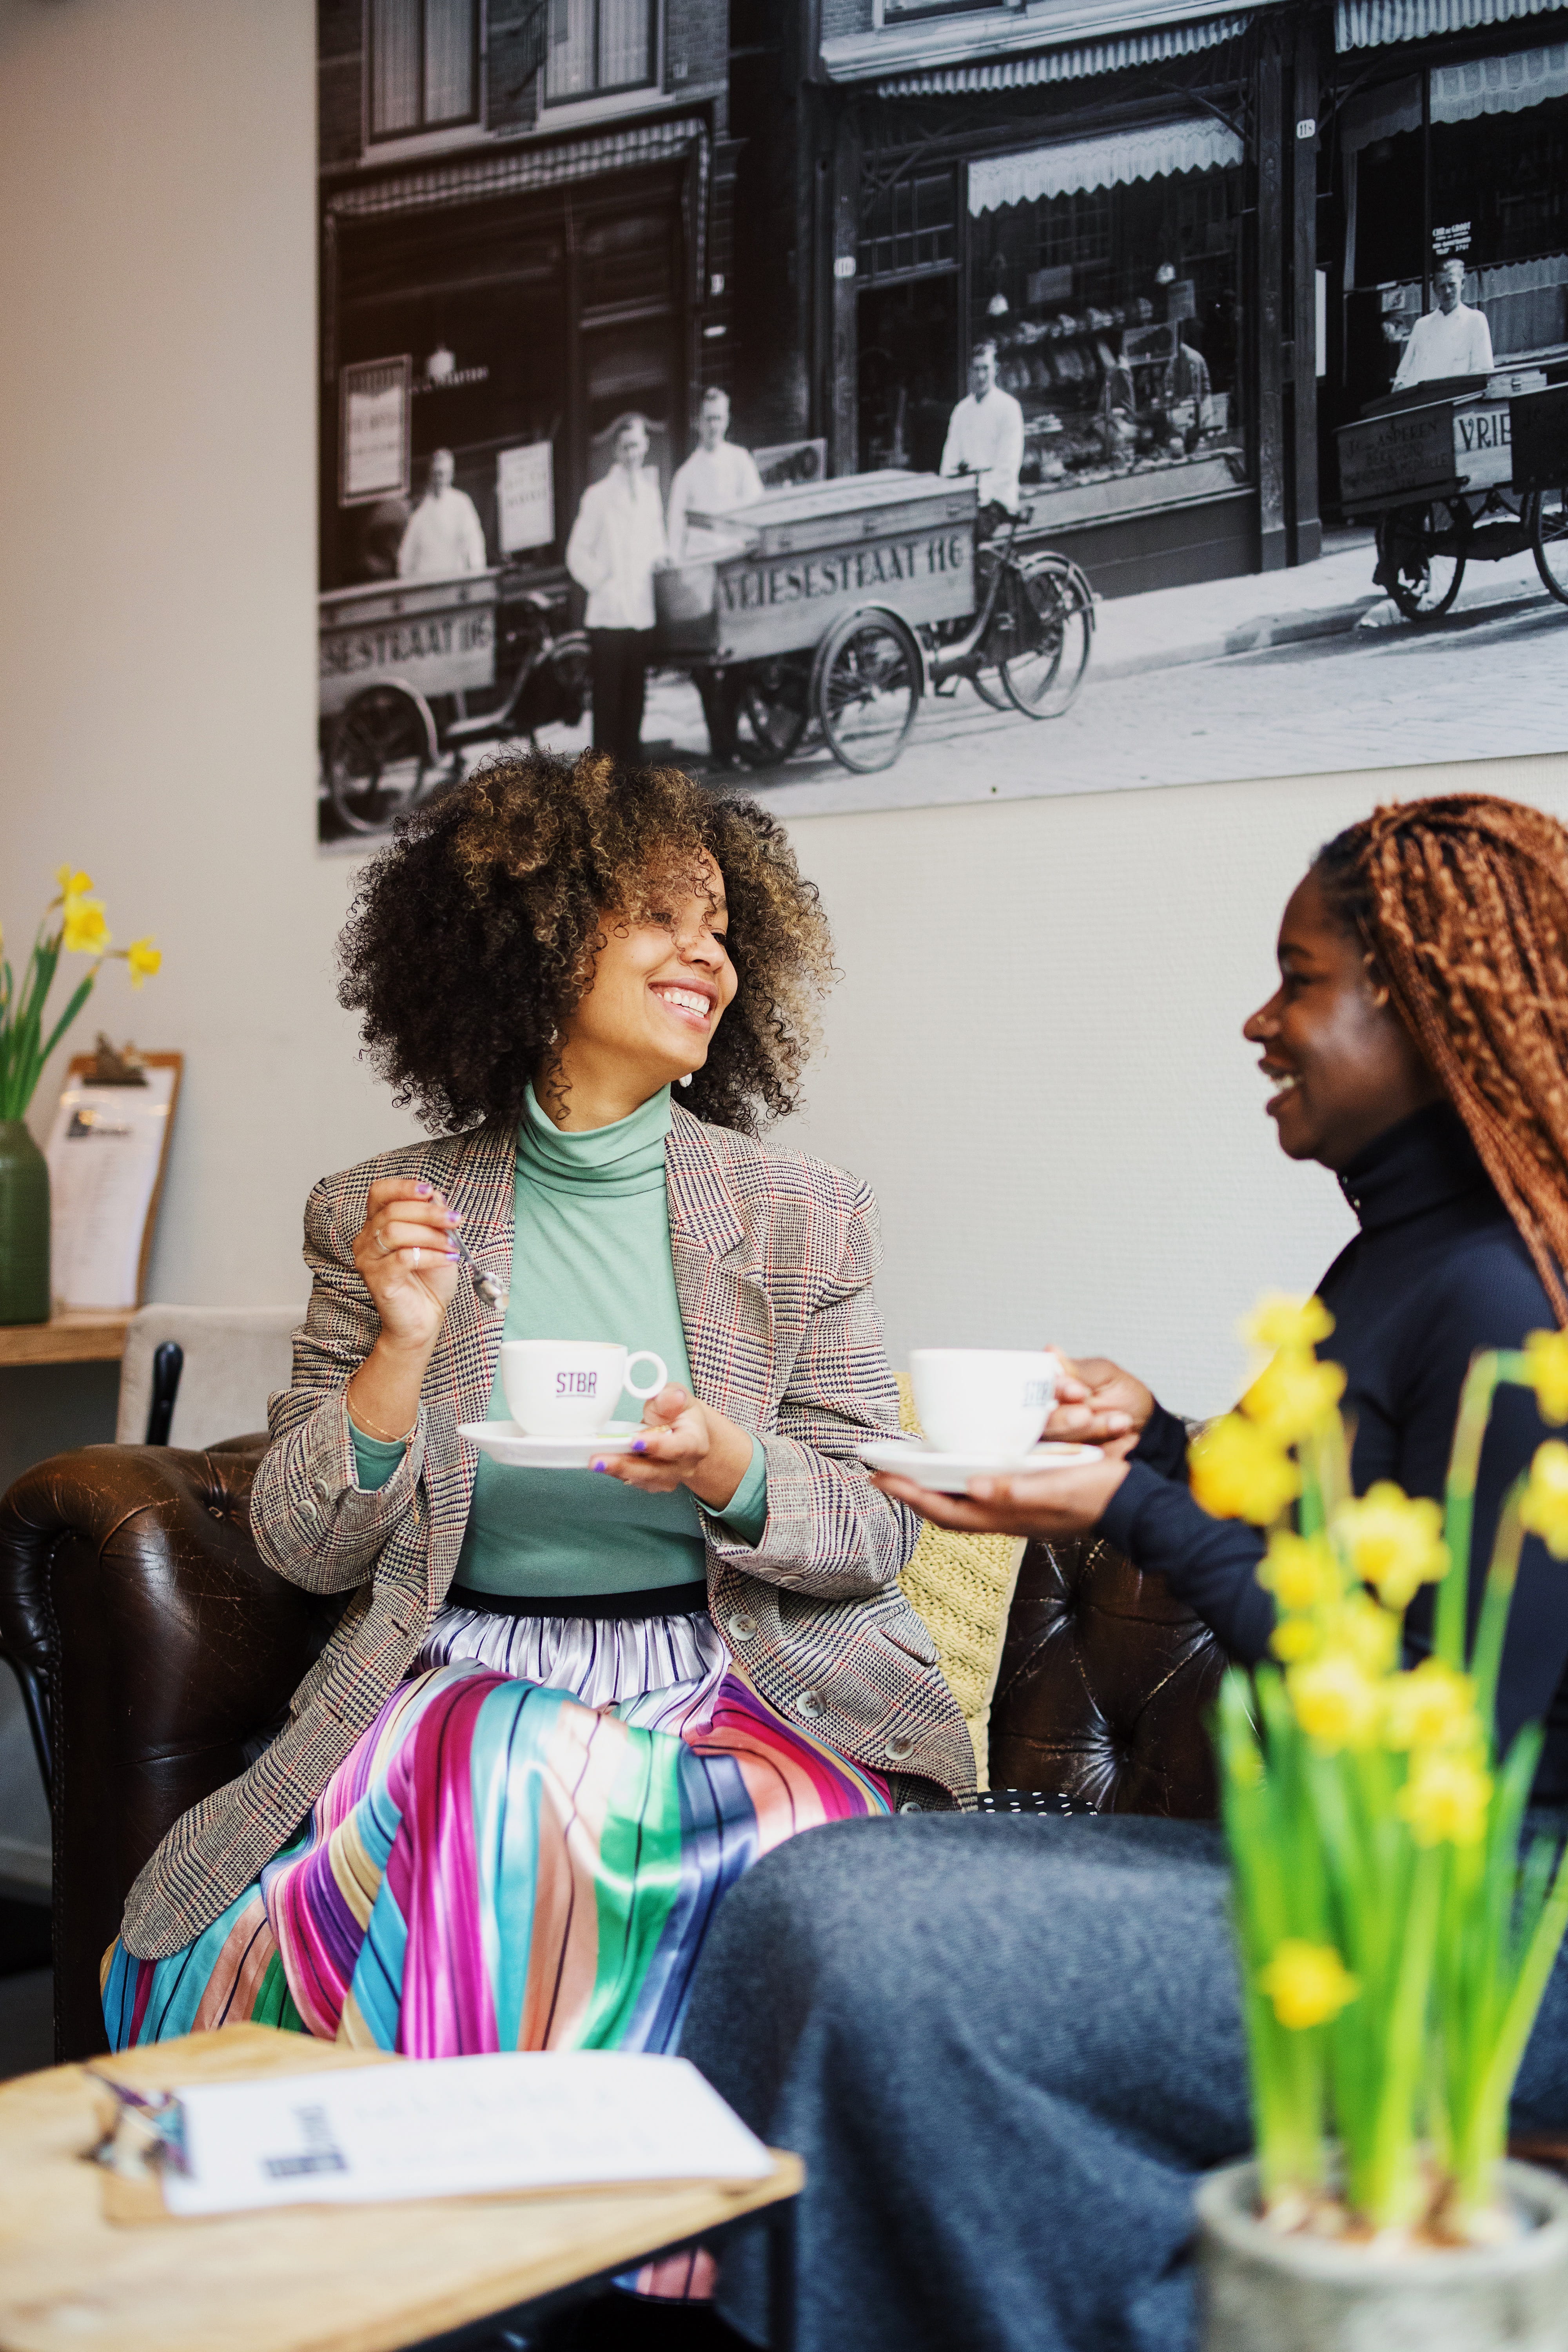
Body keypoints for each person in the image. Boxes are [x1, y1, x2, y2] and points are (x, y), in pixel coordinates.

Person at [681, 792, 1568, 2352]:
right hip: (1360, 1881)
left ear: (1423, 1007)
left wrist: (1127, 1507)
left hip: (1486, 1929)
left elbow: (1441, 1730)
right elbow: (1339, 1540)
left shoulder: (1511, 1300)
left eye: (1297, 979)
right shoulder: (1409, 1254)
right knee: (801, 1898)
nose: (1259, 1018)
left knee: (877, 1948)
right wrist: (1150, 1443)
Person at [105, 752, 973, 2091]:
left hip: (737, 1691)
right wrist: (402, 1346)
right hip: (455, 1678)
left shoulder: (804, 1217)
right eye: (664, 917)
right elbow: (302, 1545)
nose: (710, 958)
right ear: (544, 939)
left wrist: (733, 1468)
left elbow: (872, 1531)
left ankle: (552, 2224)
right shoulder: (384, 1210)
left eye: (725, 930)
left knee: (527, 1778)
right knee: (493, 1760)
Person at [666, 388, 765, 770]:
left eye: (719, 418)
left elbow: (757, 509)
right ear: (697, 422)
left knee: (742, 661)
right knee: (706, 669)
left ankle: (729, 743)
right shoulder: (687, 475)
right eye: (707, 419)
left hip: (738, 572)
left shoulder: (740, 461)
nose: (713, 426)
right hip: (701, 578)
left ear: (727, 420)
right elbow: (674, 529)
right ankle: (722, 749)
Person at [566, 413, 669, 763]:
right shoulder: (598, 496)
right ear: (616, 451)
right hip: (609, 616)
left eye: (637, 446)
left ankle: (630, 779)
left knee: (635, 701)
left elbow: (657, 543)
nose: (632, 454)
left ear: (646, 446)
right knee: (608, 705)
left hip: (640, 612)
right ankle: (605, 785)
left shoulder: (652, 494)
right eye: (625, 448)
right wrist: (602, 581)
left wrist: (660, 560)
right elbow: (576, 554)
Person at [940, 339, 1025, 528]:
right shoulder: (962, 411)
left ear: (996, 370)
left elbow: (1008, 467)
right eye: (976, 370)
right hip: (966, 500)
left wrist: (980, 496)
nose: (981, 376)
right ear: (969, 372)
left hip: (997, 501)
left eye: (986, 369)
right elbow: (950, 459)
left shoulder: (1009, 408)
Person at [1393, 257, 1495, 389]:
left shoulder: (1475, 320)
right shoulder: (1421, 326)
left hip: (1453, 402)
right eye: (1442, 286)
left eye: (1452, 284)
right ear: (1435, 290)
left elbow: (1482, 372)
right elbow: (1403, 374)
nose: (1447, 291)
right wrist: (1400, 386)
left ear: (1462, 284)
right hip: (1419, 403)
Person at [396, 448, 488, 577]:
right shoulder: (421, 511)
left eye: (444, 474)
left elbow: (474, 543)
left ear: (451, 475)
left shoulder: (461, 503)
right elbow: (407, 557)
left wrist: (478, 576)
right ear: (431, 475)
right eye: (436, 474)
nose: (440, 478)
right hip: (427, 584)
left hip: (455, 581)